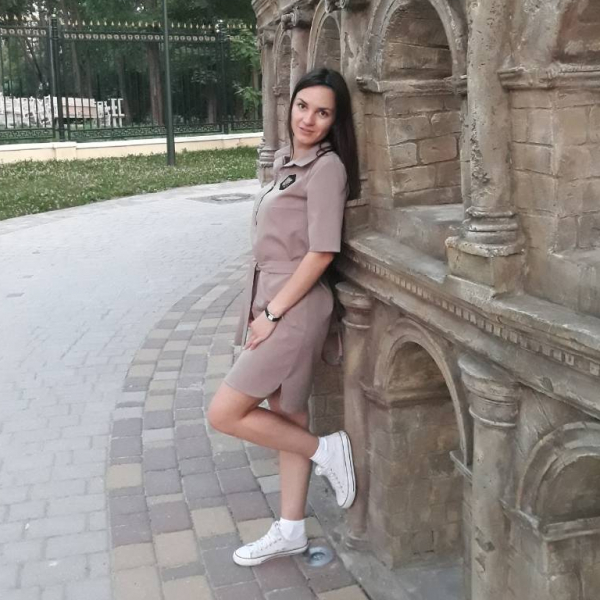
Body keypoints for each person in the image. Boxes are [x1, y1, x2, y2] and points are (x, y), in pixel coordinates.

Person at [207, 67, 361, 567]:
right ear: (290, 106)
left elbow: (322, 251)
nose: (308, 119)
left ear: (335, 121)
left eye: (323, 112)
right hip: (271, 296)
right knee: (287, 416)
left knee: (225, 412)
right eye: (302, 106)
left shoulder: (327, 168)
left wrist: (271, 313)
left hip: (292, 306)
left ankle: (327, 450)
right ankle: (292, 529)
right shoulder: (287, 164)